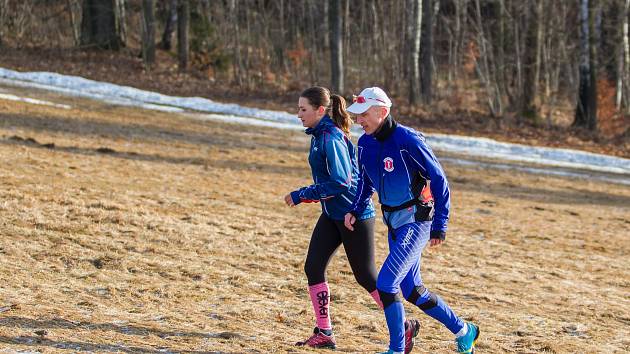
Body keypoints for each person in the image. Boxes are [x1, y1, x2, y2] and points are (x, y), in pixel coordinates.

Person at [344, 87, 480, 354]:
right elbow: (366, 182)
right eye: (356, 115)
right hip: (393, 223)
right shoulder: (366, 144)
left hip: (417, 221)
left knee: (386, 283)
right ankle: (465, 331)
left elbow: (439, 180)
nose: (359, 120)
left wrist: (441, 223)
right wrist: (356, 208)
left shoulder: (408, 140)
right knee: (412, 291)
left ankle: (396, 349)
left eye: (364, 115)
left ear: (382, 112)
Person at [284, 87, 419, 352]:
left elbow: (341, 180)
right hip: (332, 214)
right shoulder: (318, 134)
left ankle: (403, 326)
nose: (298, 114)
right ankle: (325, 332)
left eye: (303, 109)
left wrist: (303, 194)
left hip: (354, 216)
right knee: (313, 267)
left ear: (319, 111)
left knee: (367, 277)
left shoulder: (330, 136)